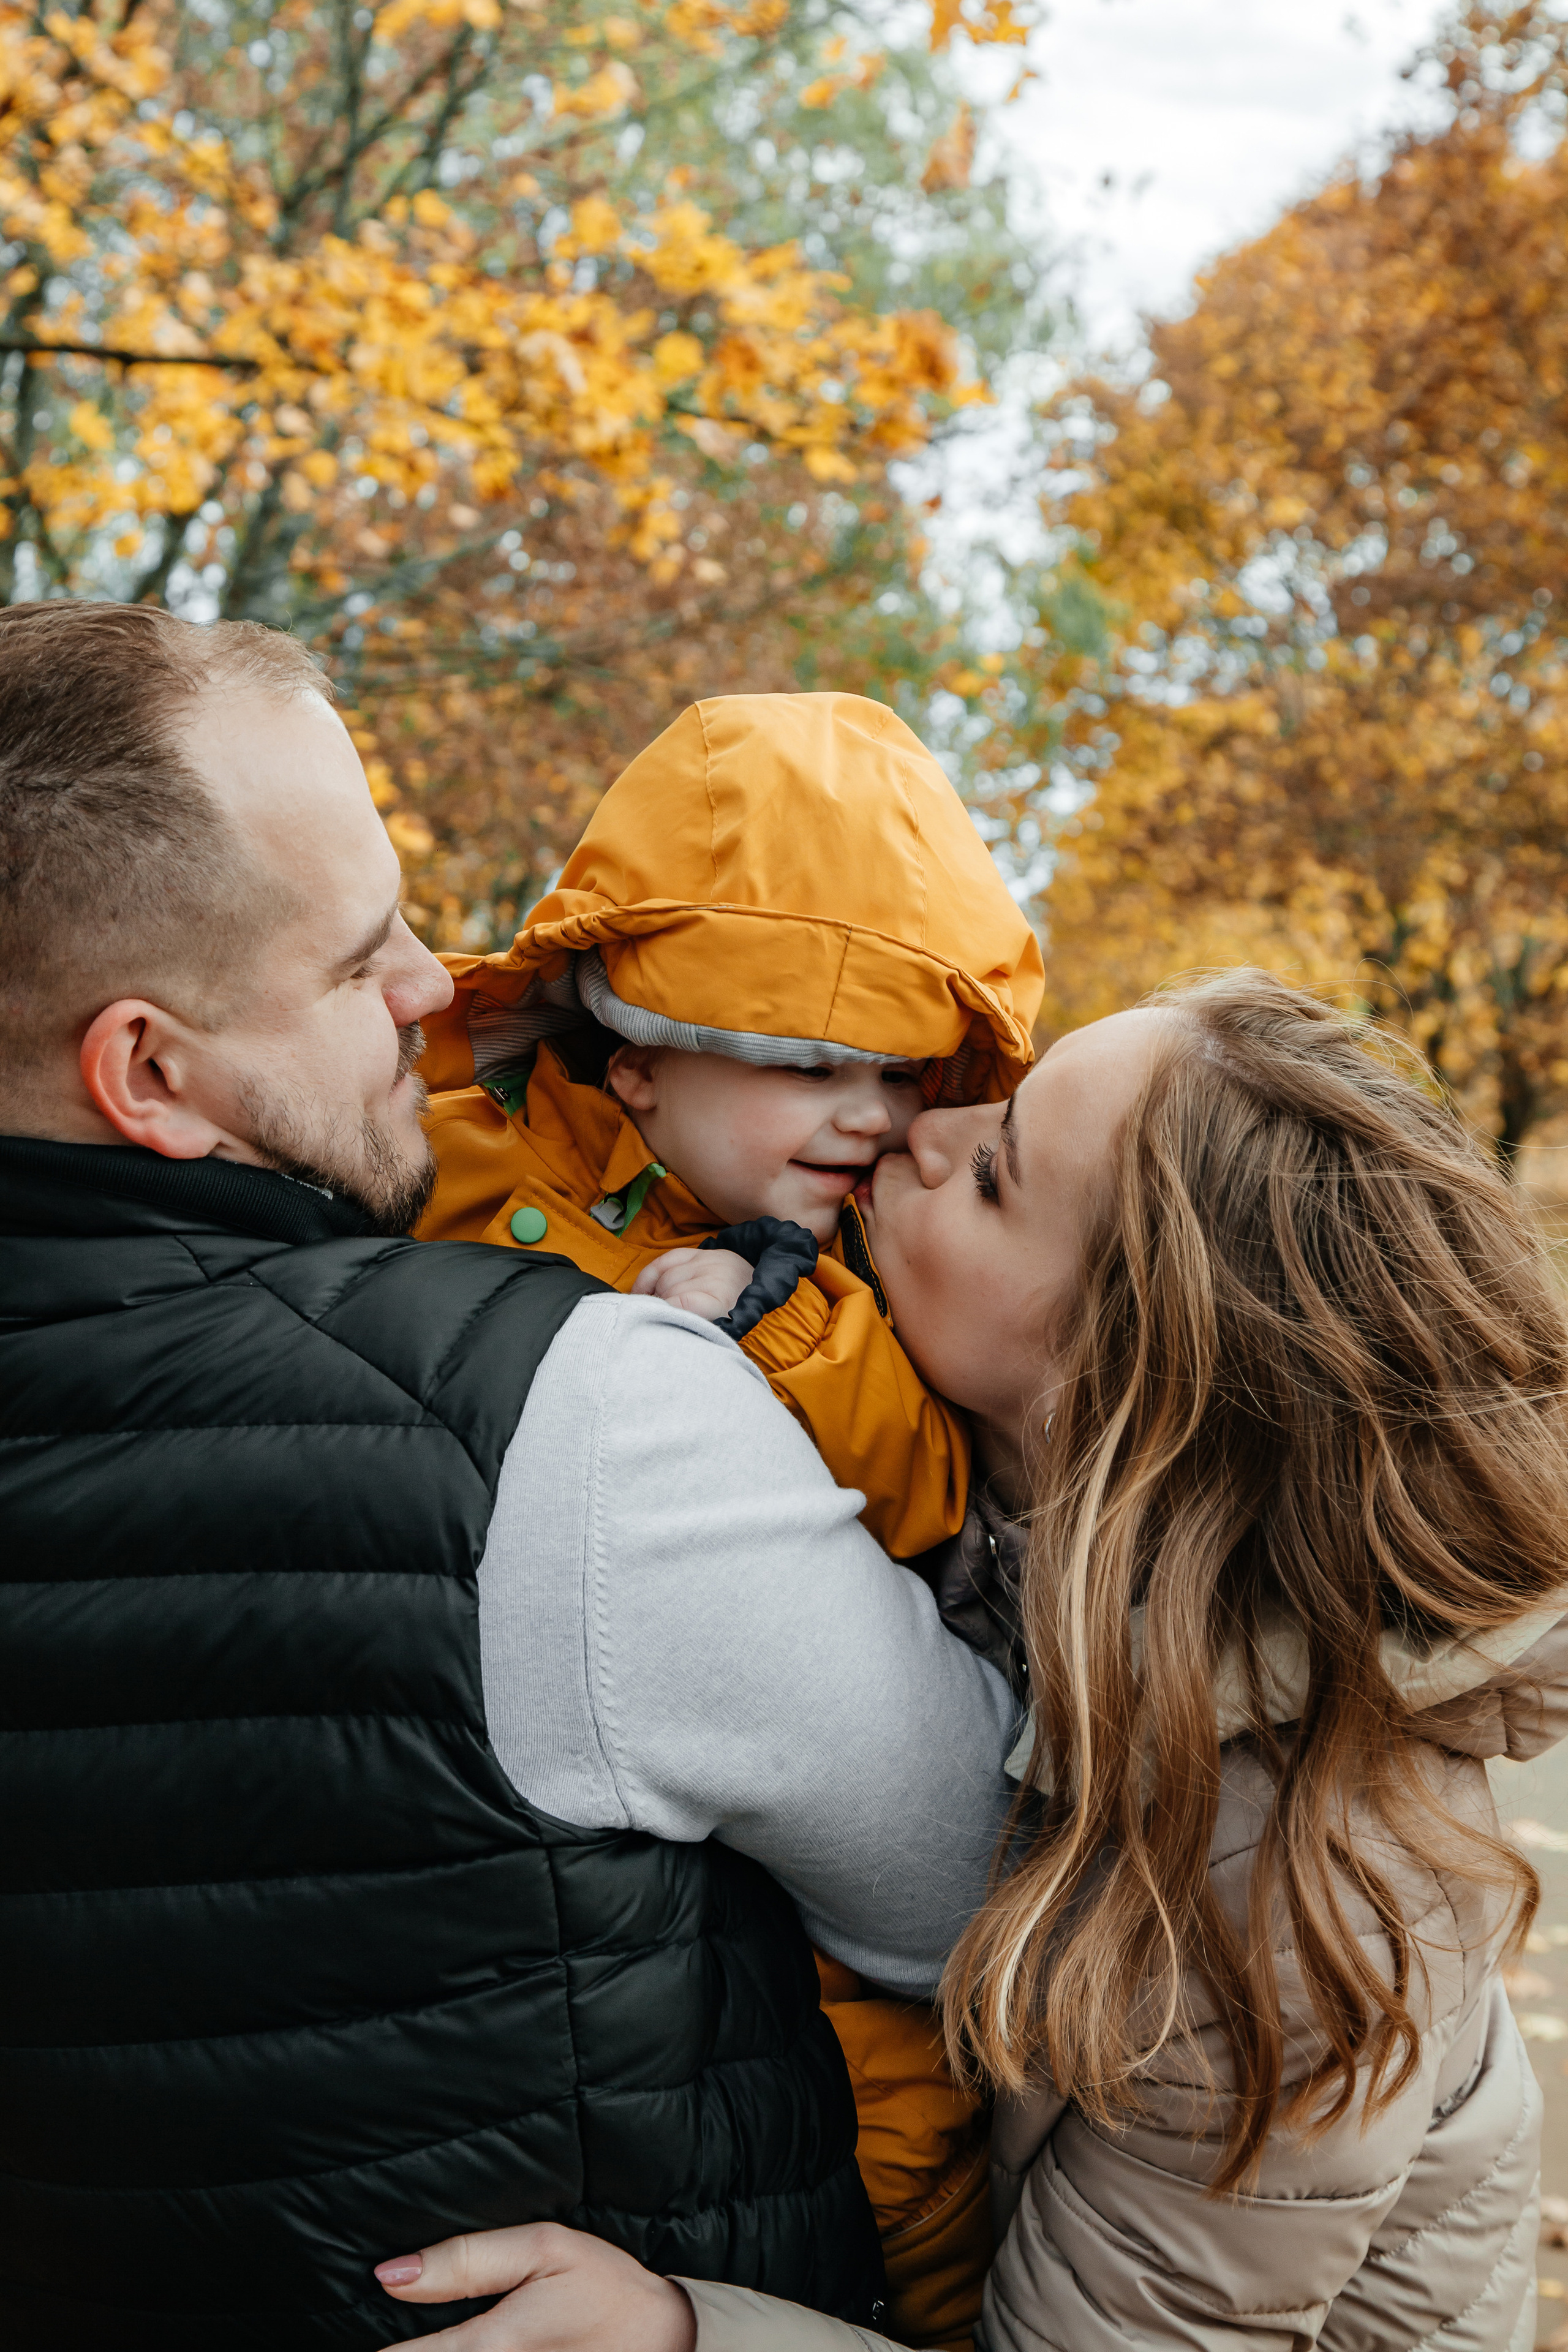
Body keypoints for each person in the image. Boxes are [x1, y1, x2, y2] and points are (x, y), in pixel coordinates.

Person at [0, 600, 1017, 2350]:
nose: (437, 991)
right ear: (151, 1070)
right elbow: (985, 1887)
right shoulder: (575, 1412)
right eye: (354, 960)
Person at [376, 970, 1568, 2352]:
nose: (923, 1131)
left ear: (1114, 1380)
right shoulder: (1006, 1522)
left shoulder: (1296, 1898)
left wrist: (678, 2333)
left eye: (995, 1171)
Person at [413, 690, 1044, 2346]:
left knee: (897, 2152)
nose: (872, 1116)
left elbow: (933, 1490)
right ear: (636, 1054)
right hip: (513, 1816)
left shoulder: (859, 1278)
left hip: (823, 1865)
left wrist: (782, 1325)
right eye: (808, 1064)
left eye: (903, 1072)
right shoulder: (442, 1168)